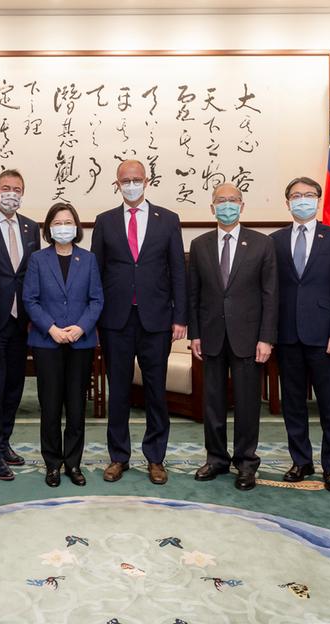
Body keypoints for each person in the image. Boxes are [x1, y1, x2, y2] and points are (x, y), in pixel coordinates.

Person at [91, 159, 187, 485]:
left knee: (155, 392)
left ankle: (156, 458)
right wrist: (96, 320)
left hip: (156, 320)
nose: (131, 184)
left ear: (147, 181)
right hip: (116, 321)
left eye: (136, 178)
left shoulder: (168, 220)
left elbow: (178, 271)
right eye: (125, 180)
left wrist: (180, 318)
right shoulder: (105, 222)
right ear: (117, 183)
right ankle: (119, 457)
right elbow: (96, 276)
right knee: (118, 392)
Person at [187, 183, 277, 491]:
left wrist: (266, 338)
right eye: (221, 201)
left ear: (242, 205)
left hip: (249, 337)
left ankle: (246, 462)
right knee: (212, 401)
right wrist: (195, 334)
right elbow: (194, 295)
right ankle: (216, 459)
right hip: (211, 335)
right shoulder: (199, 245)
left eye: (233, 200)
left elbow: (270, 295)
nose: (227, 205)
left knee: (247, 402)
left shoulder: (262, 244)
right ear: (212, 208)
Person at [271, 176, 330, 493]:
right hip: (287, 335)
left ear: (318, 200)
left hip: (325, 338)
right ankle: (301, 461)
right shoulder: (274, 241)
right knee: (292, 404)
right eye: (296, 195)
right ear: (287, 201)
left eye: (308, 195)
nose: (302, 200)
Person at [22, 203, 103, 487]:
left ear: (77, 226)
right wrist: (52, 329)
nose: (63, 226)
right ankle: (53, 464)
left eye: (68, 221)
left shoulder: (89, 259)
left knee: (76, 406)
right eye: (57, 222)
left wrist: (81, 327)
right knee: (51, 405)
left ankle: (73, 463)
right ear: (49, 228)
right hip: (48, 342)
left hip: (80, 342)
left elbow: (97, 300)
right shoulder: (37, 260)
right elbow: (30, 299)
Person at [0, 169, 40, 481]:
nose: (10, 193)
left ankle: (4, 441)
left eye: (16, 188)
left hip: (21, 321)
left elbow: (31, 273)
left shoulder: (31, 227)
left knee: (15, 385)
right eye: (5, 188)